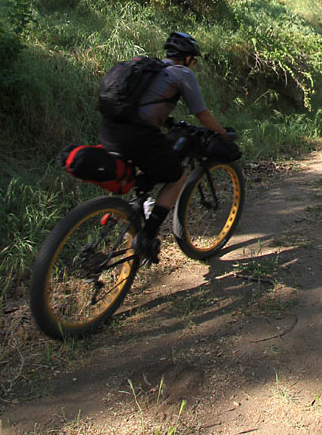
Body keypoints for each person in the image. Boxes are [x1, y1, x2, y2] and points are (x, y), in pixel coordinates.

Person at [98, 31, 229, 262]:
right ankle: (147, 236)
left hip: (109, 130)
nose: (193, 64)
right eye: (194, 60)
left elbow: (143, 105)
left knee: (143, 171)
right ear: (188, 58)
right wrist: (222, 132)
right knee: (177, 176)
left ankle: (121, 212)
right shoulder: (183, 73)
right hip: (138, 136)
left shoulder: (149, 68)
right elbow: (202, 114)